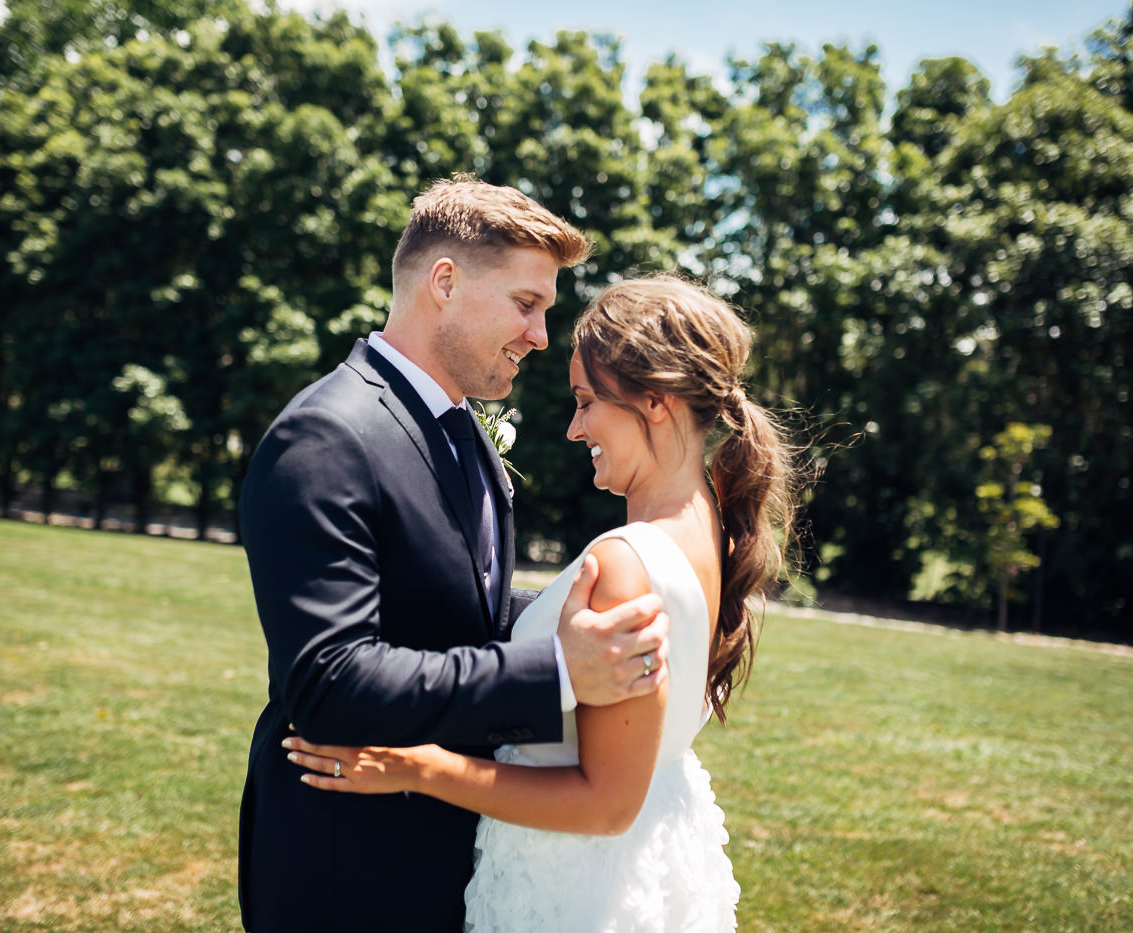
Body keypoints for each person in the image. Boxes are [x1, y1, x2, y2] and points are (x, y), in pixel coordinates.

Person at [285, 275, 798, 931]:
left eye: (587, 402)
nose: (574, 427)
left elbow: (605, 802)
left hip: (572, 888)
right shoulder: (711, 526)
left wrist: (420, 766)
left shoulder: (625, 562)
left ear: (656, 401)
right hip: (634, 866)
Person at [237, 179, 671, 932]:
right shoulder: (327, 436)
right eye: (527, 304)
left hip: (445, 860)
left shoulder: (464, 427)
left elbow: (460, 601)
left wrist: (587, 615)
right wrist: (559, 668)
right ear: (445, 282)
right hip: (346, 873)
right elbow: (328, 680)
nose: (541, 335)